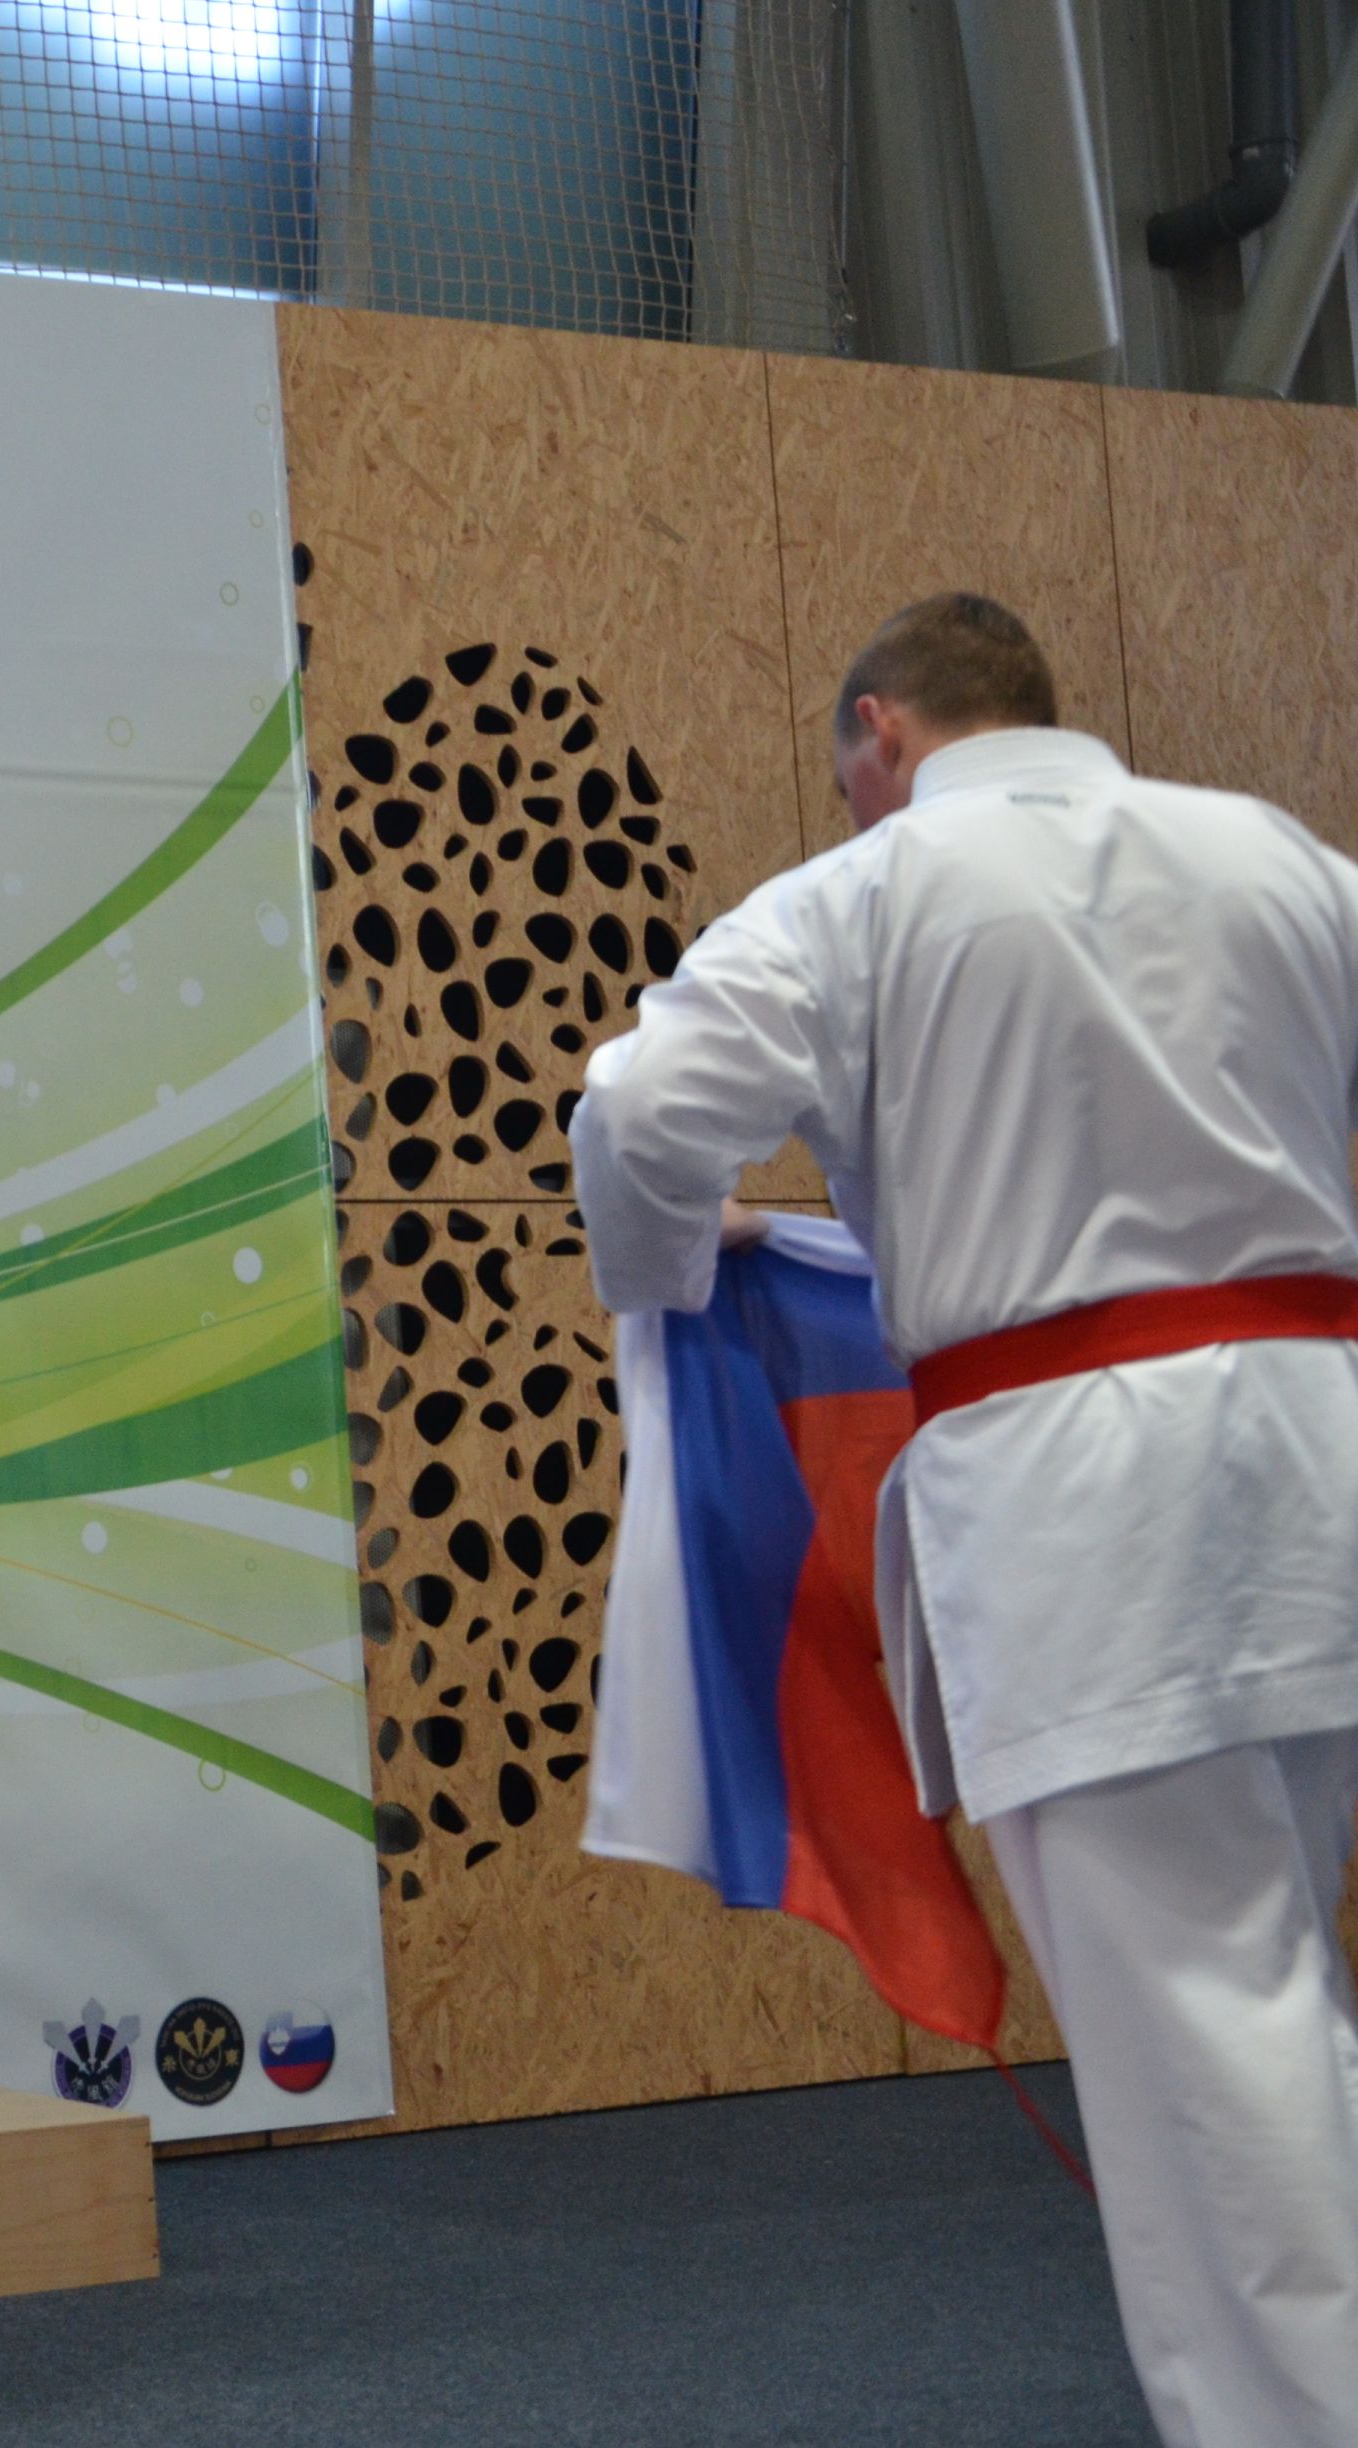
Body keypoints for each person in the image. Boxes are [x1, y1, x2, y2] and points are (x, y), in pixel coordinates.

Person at [571, 594, 1358, 2448]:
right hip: (1321, 1456)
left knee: (1206, 2042)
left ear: (880, 730)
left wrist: (671, 1270)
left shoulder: (866, 893)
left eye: (847, 767)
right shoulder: (1281, 860)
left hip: (1092, 1512)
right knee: (1276, 1979)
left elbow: (646, 1112)